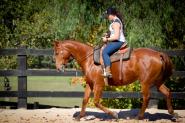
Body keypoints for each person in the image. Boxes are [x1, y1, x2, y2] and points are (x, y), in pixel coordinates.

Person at [102, 7, 126, 78]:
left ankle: (108, 72)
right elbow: (114, 33)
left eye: (107, 15)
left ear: (111, 14)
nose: (107, 17)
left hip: (118, 42)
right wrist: (108, 35)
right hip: (116, 41)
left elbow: (116, 37)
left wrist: (106, 40)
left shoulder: (115, 23)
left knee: (105, 52)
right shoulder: (115, 21)